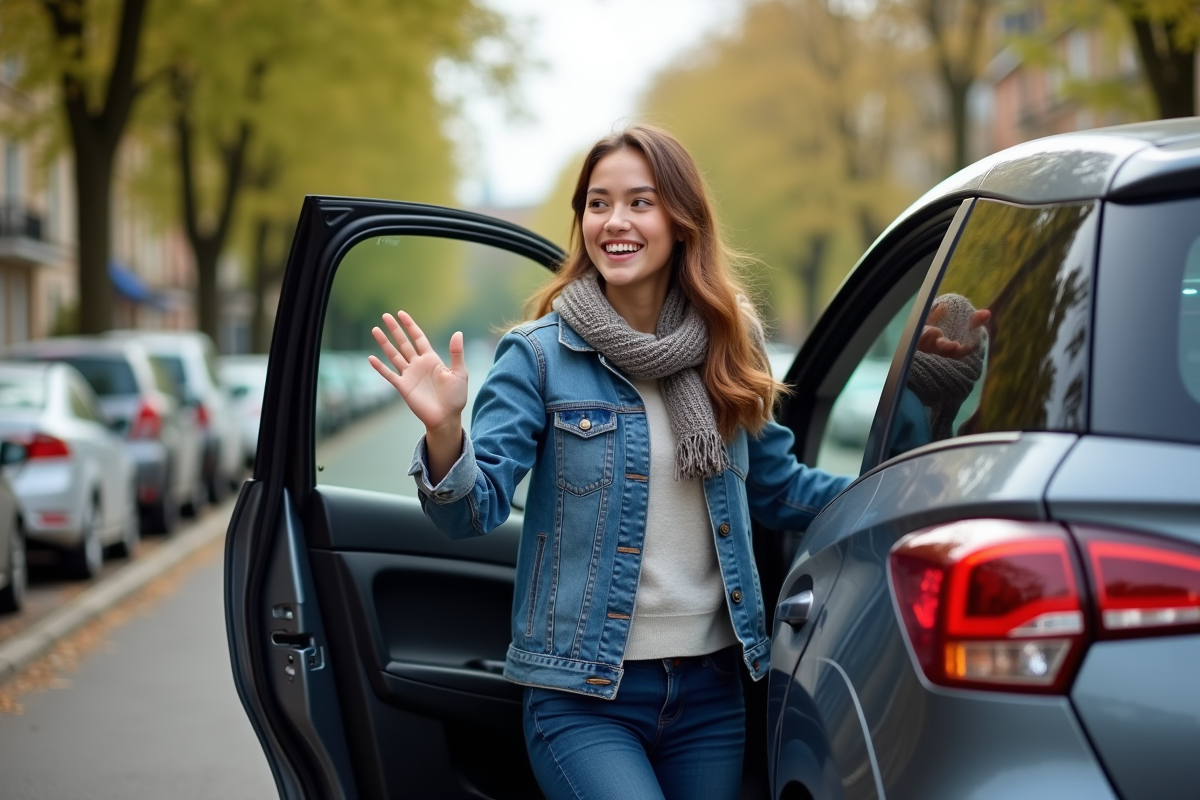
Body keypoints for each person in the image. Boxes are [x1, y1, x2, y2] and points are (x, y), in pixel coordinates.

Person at [368, 125, 851, 800]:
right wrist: (446, 429)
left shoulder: (728, 348)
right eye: (597, 204)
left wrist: (912, 490)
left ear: (682, 222)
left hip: (711, 693)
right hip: (582, 697)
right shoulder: (537, 356)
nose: (614, 222)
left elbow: (778, 490)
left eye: (639, 202)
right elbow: (468, 515)